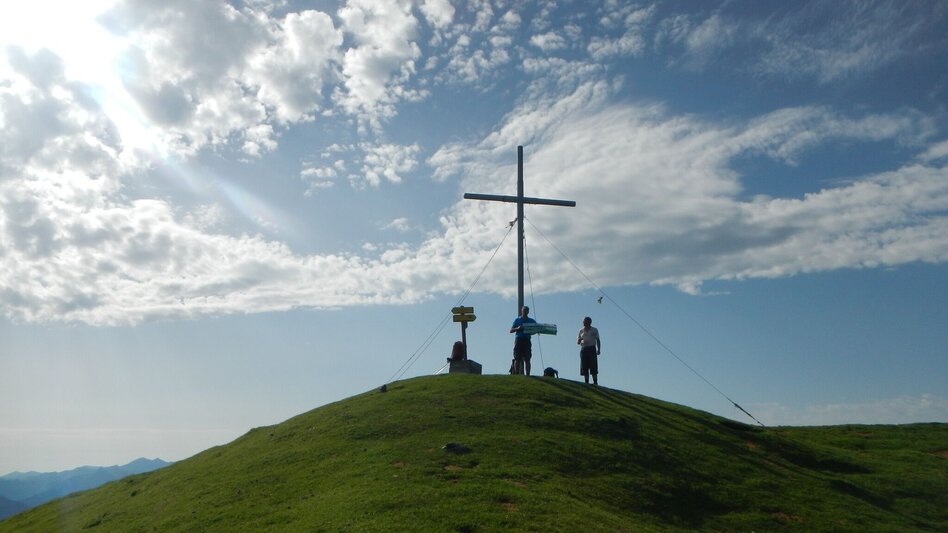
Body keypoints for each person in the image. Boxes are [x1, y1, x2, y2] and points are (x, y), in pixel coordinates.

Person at [509, 306, 537, 375]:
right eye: (524, 310)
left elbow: (536, 329)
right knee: (517, 357)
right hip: (519, 339)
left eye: (526, 310)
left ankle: (528, 374)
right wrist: (518, 328)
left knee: (527, 358)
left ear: (528, 312)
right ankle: (516, 373)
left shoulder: (531, 321)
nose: (525, 311)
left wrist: (531, 332)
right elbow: (511, 330)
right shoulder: (517, 320)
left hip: (527, 339)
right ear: (522, 311)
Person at [577, 316, 601, 385]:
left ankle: (595, 381)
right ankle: (586, 382)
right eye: (583, 321)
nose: (583, 323)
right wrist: (580, 340)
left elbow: (598, 340)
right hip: (584, 349)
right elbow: (578, 342)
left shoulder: (594, 330)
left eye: (585, 321)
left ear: (589, 322)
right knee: (584, 365)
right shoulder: (581, 331)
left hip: (592, 348)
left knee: (593, 365)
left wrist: (598, 349)